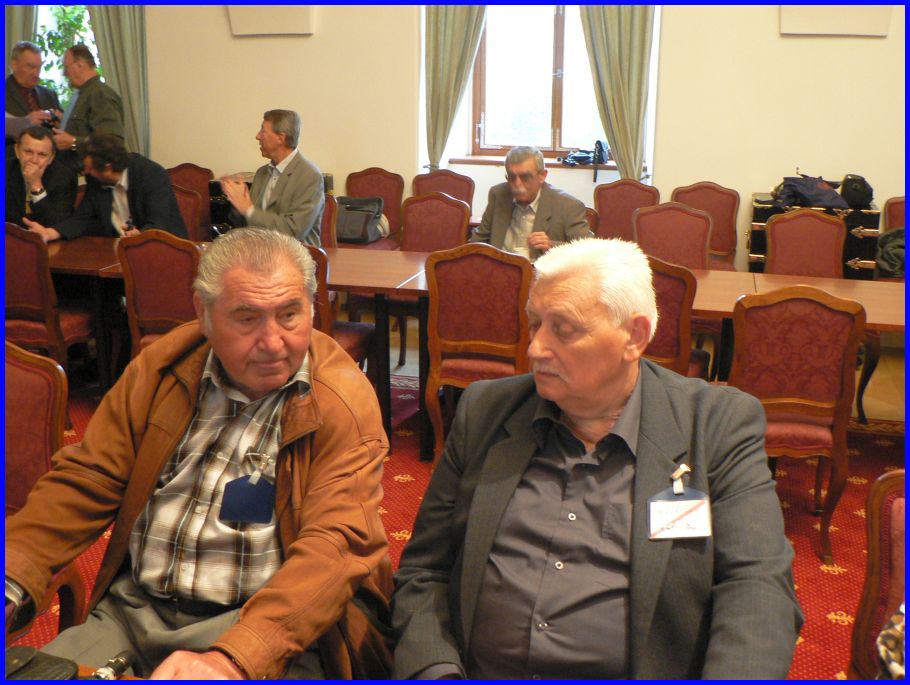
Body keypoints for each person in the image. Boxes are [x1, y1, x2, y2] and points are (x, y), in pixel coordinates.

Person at [391, 237, 803, 679]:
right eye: (535, 324)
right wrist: (436, 671)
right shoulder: (486, 411)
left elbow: (758, 590)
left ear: (635, 336)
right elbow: (423, 572)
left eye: (564, 329)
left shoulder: (714, 426)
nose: (535, 348)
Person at [5, 228, 393, 679]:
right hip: (135, 612)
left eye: (290, 315)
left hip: (263, 623)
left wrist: (233, 658)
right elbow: (88, 478)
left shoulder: (341, 399)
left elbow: (334, 548)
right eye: (247, 319)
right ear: (202, 313)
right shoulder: (162, 367)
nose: (273, 342)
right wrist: (11, 575)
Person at [24, 133, 186, 242]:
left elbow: (158, 223)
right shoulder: (96, 179)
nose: (86, 172)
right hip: (115, 253)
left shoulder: (150, 174)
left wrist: (140, 236)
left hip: (165, 251)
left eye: (90, 168)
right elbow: (81, 219)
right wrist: (49, 233)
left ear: (108, 168)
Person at [221, 109, 324, 246]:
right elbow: (248, 226)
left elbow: (293, 231)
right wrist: (237, 201)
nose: (257, 136)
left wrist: (249, 210)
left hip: (295, 256)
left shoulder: (309, 176)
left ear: (280, 138)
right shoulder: (262, 173)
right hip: (260, 252)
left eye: (263, 131)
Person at [470, 145, 591, 261]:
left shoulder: (568, 206)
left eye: (525, 177)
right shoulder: (498, 194)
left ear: (542, 176)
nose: (517, 184)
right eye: (512, 177)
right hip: (500, 269)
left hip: (541, 272)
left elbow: (589, 252)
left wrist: (552, 245)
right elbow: (478, 241)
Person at [53, 44, 125, 172]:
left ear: (80, 65)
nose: (64, 73)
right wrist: (64, 124)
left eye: (66, 67)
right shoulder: (82, 94)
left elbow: (112, 140)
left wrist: (74, 142)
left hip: (93, 174)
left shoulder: (100, 94)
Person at [6, 125, 77, 227]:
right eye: (28, 152)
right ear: (17, 151)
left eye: (42, 154)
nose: (34, 160)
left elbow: (58, 224)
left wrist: (36, 185)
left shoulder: (64, 177)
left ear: (51, 157)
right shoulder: (6, 169)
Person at [5, 41, 61, 143]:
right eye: (30, 67)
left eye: (39, 67)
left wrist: (60, 122)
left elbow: (61, 131)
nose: (36, 73)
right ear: (14, 65)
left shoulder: (49, 95)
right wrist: (24, 122)